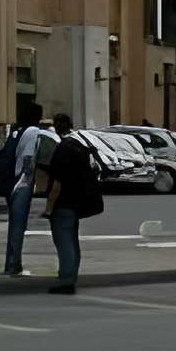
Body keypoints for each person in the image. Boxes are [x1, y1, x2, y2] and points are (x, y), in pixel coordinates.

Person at [41, 115, 101, 294]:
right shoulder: (77, 147)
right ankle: (71, 276)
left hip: (63, 204)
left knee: (64, 242)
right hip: (75, 203)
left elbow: (57, 185)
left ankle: (65, 279)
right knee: (73, 242)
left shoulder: (62, 150)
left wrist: (48, 208)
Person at [0, 110, 54, 276]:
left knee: (14, 225)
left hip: (10, 182)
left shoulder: (17, 131)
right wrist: (32, 183)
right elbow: (28, 160)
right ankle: (14, 265)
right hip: (21, 183)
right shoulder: (32, 132)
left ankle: (11, 263)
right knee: (18, 226)